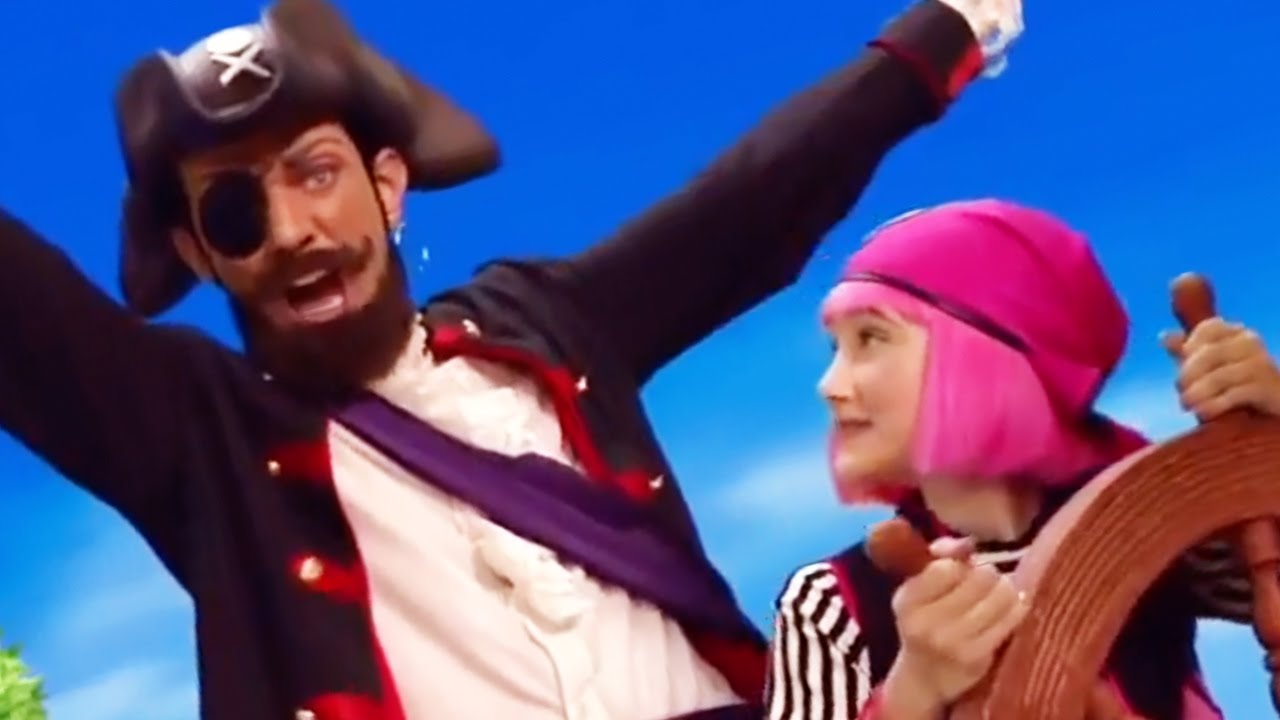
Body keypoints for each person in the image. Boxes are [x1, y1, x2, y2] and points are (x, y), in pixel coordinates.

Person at [0, 0, 1026, 718]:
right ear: (197, 253)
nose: (293, 229)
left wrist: (943, 30)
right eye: (234, 207)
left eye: (316, 172)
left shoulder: (541, 322)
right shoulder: (198, 435)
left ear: (387, 183)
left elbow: (749, 203)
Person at [764, 199, 1280, 719]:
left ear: (987, 352)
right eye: (835, 348)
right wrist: (913, 691)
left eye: (871, 338)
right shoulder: (829, 604)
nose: (829, 385)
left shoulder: (1147, 520)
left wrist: (1269, 426)